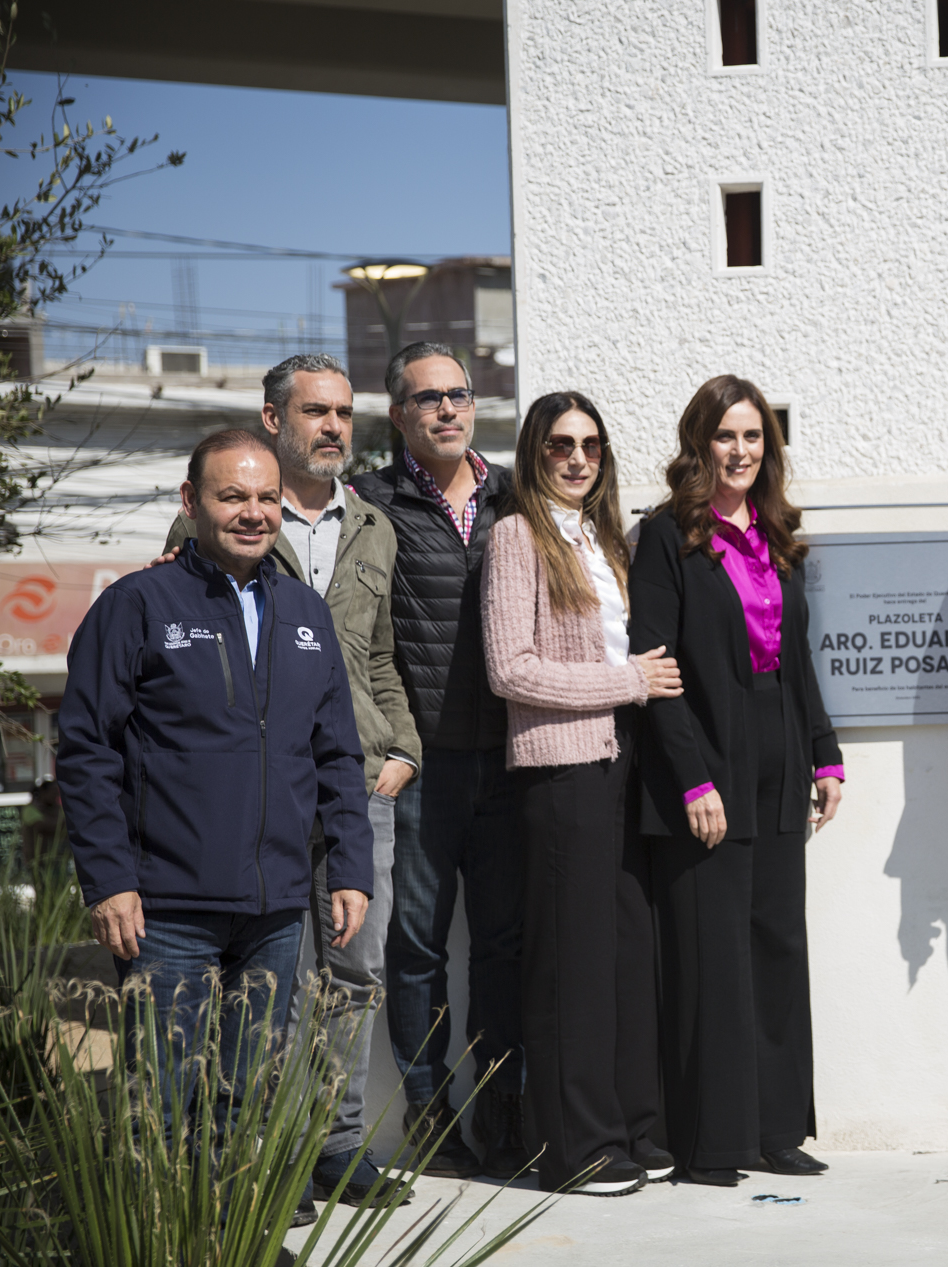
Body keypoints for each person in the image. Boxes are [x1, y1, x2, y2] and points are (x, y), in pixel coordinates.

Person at [57, 428, 372, 1146]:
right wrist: (108, 879)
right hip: (165, 907)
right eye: (233, 496)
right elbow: (85, 749)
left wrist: (350, 867)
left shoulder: (305, 613)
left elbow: (337, 754)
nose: (252, 512)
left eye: (266, 497)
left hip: (276, 910)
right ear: (192, 501)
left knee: (245, 1105)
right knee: (158, 1104)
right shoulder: (137, 603)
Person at [161, 353, 418, 1223]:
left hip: (355, 785)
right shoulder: (220, 524)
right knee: (270, 977)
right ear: (273, 420)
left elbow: (380, 656)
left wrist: (404, 744)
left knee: (353, 971)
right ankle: (271, 1154)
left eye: (345, 412)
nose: (335, 427)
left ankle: (336, 1145)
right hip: (256, 794)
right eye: (316, 411)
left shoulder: (373, 526)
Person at [630, 375, 845, 1187]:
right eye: (726, 436)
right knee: (712, 953)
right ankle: (713, 1138)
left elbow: (797, 656)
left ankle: (778, 1126)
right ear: (699, 444)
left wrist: (823, 755)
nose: (741, 451)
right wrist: (691, 779)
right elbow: (657, 669)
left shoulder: (775, 532)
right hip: (707, 755)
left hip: (778, 755)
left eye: (754, 437)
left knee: (777, 945)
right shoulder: (666, 537)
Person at [481, 391, 683, 1196]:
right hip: (561, 771)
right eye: (561, 444)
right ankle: (576, 1149)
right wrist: (627, 680)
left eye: (591, 445)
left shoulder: (610, 539)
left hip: (624, 766)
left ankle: (633, 1127)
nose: (577, 458)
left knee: (626, 955)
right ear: (536, 452)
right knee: (570, 965)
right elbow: (512, 668)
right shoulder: (516, 537)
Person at [351, 342, 523, 1179]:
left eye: (460, 394)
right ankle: (429, 1115)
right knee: (415, 946)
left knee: (503, 942)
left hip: (516, 758)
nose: (449, 409)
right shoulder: (370, 504)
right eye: (430, 399)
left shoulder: (513, 495)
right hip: (421, 766)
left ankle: (504, 1105)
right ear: (399, 415)